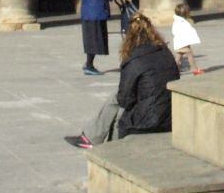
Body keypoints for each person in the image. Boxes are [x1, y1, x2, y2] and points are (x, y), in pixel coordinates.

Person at [68, 13, 180, 149]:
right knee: (117, 98)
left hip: (150, 120)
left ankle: (99, 143)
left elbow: (124, 99)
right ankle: (91, 137)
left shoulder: (134, 59)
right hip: (170, 113)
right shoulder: (165, 52)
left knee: (118, 112)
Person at [79, 0, 128, 76]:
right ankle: (89, 65)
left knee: (93, 40)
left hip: (92, 14)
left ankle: (88, 64)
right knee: (93, 40)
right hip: (93, 14)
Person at [172, 2, 205, 75]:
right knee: (190, 55)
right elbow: (184, 32)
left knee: (178, 57)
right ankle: (195, 70)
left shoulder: (178, 21)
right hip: (183, 42)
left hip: (181, 42)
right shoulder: (181, 22)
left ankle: (173, 71)